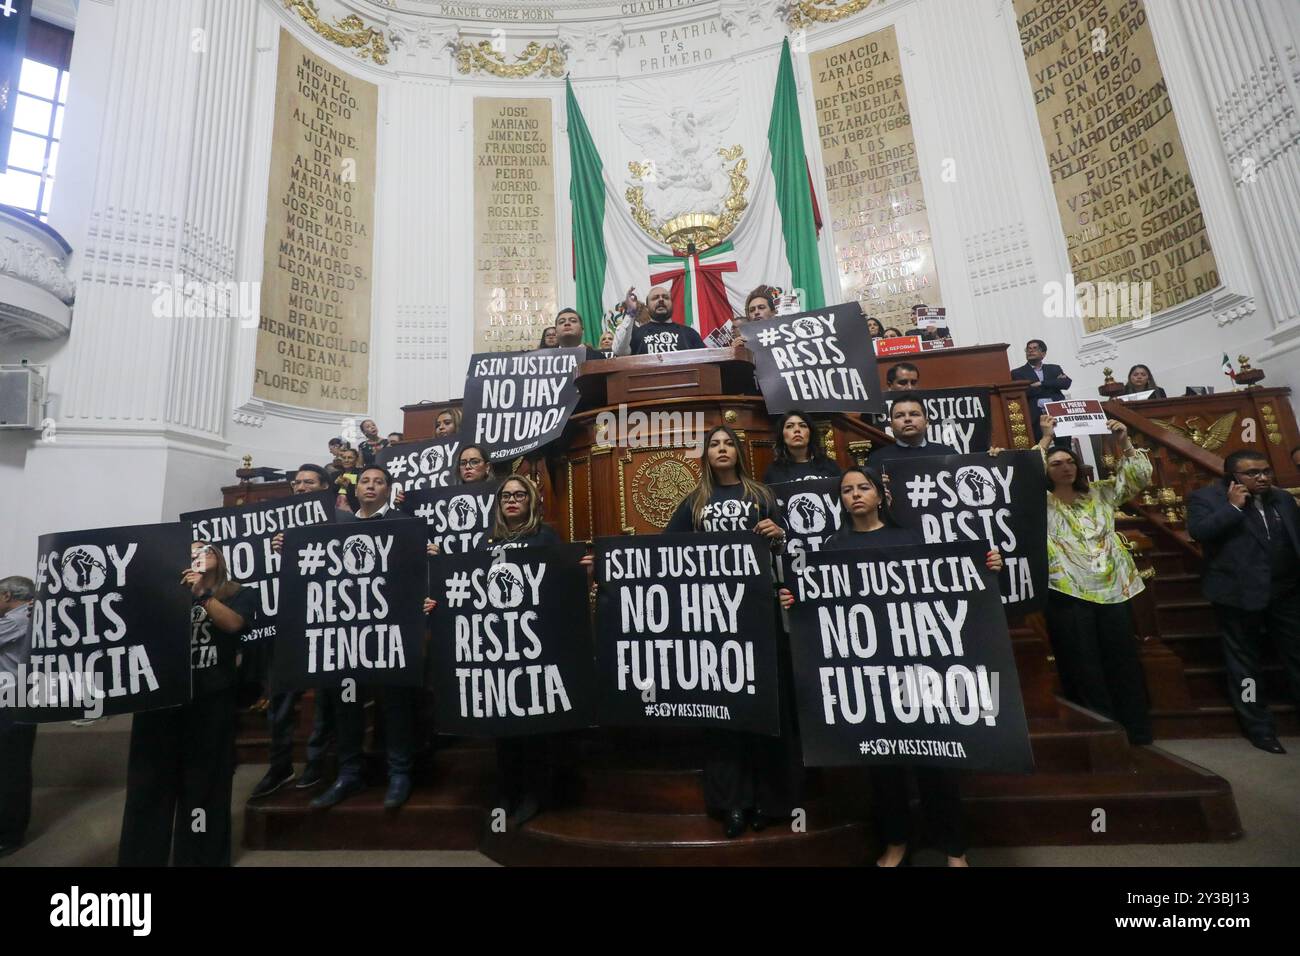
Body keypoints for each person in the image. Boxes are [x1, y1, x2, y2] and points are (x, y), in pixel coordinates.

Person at [824, 469, 1002, 866]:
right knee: (882, 763)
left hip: (920, 667)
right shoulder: (832, 545)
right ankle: (896, 842)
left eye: (863, 487)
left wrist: (985, 566)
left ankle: (954, 847)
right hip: (868, 672)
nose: (855, 495)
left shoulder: (911, 538)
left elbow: (949, 583)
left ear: (880, 494)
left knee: (937, 758)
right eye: (847, 490)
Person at [665, 425, 798, 838]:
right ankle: (732, 803)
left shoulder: (762, 496)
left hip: (762, 612)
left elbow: (791, 550)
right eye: (714, 445)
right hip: (714, 620)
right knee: (724, 710)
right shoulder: (694, 502)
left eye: (728, 444)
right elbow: (664, 555)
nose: (721, 450)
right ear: (705, 455)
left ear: (739, 452)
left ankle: (772, 801)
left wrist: (780, 536)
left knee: (769, 707)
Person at [119, 541, 259, 866]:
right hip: (159, 700)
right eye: (190, 549)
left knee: (204, 783)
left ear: (220, 557)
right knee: (149, 784)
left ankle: (199, 858)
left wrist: (201, 595)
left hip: (209, 700)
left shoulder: (240, 593)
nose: (198, 552)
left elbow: (234, 625)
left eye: (206, 548)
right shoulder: (162, 592)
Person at [311, 466, 423, 811]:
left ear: (389, 489)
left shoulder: (406, 524)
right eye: (365, 482)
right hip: (348, 633)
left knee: (395, 703)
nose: (371, 486)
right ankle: (349, 773)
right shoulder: (338, 526)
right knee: (347, 705)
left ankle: (400, 773)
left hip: (391, 630)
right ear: (356, 489)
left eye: (378, 482)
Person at [1039, 414, 1154, 746]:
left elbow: (1139, 477)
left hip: (1113, 589)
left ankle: (1136, 730)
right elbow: (1018, 476)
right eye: (1056, 463)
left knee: (1121, 660)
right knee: (1082, 665)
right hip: (1067, 591)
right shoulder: (1039, 501)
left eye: (1069, 461)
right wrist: (1046, 438)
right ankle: (1101, 734)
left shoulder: (1100, 493)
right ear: (1046, 470)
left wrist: (1125, 442)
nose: (1065, 468)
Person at [1187, 451, 1300, 754]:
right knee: (1245, 666)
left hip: (1286, 593)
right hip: (1237, 596)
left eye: (1265, 471)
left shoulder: (1283, 499)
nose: (1262, 478)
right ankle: (1259, 727)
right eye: (1252, 473)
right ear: (1231, 477)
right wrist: (1233, 509)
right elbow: (1199, 532)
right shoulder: (1207, 499)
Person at [251, 465, 339, 799]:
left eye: (309, 482)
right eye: (297, 483)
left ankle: (315, 761)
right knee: (281, 701)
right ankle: (279, 764)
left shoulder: (341, 522)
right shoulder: (275, 527)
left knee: (325, 699)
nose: (301, 487)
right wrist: (276, 555)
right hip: (287, 623)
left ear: (325, 487)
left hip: (327, 621)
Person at [0, 576, 36, 858]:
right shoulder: (30, 613)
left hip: (13, 701)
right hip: (18, 699)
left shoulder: (20, 618)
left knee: (11, 769)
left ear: (7, 595)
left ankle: (9, 834)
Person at [867, 395, 959, 469]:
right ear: (891, 426)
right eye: (899, 416)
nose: (907, 419)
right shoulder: (877, 459)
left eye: (914, 414)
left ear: (926, 422)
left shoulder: (948, 454)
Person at [1012, 340, 1073, 442]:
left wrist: (1041, 383)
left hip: (1057, 414)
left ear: (1043, 353)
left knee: (1064, 445)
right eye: (1028, 349)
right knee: (1040, 449)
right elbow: (1026, 391)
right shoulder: (1017, 373)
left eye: (1035, 348)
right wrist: (1053, 384)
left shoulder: (1054, 368)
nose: (1031, 351)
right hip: (1035, 417)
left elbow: (1066, 383)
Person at [763, 409, 841, 484]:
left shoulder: (829, 465)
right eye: (789, 426)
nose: (797, 430)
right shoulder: (773, 471)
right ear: (782, 435)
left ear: (810, 433)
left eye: (802, 425)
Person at [630, 285, 705, 355]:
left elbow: (706, 363)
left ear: (672, 304)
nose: (661, 300)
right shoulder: (636, 335)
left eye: (665, 297)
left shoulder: (690, 334)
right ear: (647, 308)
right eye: (655, 298)